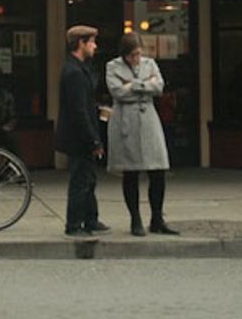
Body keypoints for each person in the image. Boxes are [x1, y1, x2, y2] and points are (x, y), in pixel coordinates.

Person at [105, 32, 179, 236]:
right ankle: (135, 219)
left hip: (149, 121)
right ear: (124, 55)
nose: (136, 59)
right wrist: (146, 84)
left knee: (158, 170)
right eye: (132, 55)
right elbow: (117, 92)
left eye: (138, 54)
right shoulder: (112, 66)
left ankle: (157, 218)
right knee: (131, 172)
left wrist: (133, 85)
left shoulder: (150, 64)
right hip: (126, 122)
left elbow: (159, 87)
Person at [55, 25, 109, 238]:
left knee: (89, 178)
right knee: (80, 180)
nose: (95, 46)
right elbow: (78, 110)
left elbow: (84, 105)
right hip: (79, 137)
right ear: (81, 43)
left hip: (81, 135)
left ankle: (91, 219)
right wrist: (94, 140)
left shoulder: (78, 69)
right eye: (92, 42)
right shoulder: (73, 72)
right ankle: (74, 224)